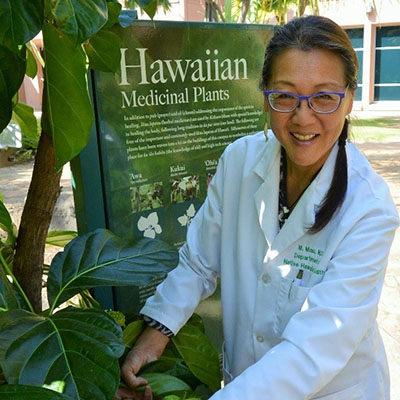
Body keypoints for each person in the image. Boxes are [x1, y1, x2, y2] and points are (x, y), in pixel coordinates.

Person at [116, 15, 399, 400]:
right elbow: (200, 261)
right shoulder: (239, 161)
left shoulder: (369, 209)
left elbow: (313, 350)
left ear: (349, 98)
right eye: (284, 95)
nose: (302, 117)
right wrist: (156, 332)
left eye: (324, 96)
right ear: (265, 94)